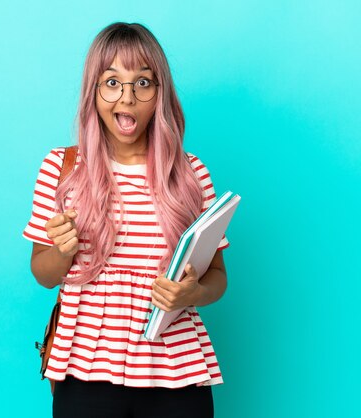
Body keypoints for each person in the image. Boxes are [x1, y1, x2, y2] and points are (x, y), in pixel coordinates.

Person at [23, 22, 228, 418]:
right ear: (93, 91)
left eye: (143, 83)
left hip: (176, 369)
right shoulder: (62, 168)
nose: (127, 98)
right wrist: (64, 251)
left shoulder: (190, 174)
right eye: (112, 82)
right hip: (85, 367)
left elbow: (218, 276)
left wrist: (192, 295)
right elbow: (44, 274)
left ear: (159, 93)